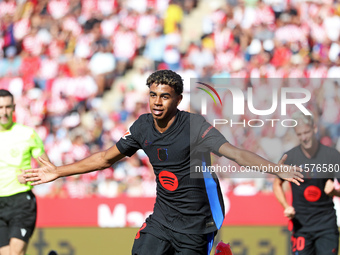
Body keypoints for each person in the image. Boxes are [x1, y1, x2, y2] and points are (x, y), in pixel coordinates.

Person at [24, 70, 303, 255]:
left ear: (178, 99)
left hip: (199, 222)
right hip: (162, 219)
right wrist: (58, 172)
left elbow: (235, 153)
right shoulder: (142, 127)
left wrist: (277, 168)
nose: (157, 102)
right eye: (153, 95)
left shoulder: (194, 126)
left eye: (165, 96)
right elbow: (104, 159)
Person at [273, 112, 340, 255]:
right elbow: (276, 184)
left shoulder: (332, 156)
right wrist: (286, 206)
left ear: (314, 129)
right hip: (301, 227)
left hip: (326, 226)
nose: (304, 137)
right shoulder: (290, 157)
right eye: (299, 134)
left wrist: (334, 192)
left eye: (306, 132)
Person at [0, 89, 50, 255]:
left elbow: (48, 168)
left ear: (14, 108)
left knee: (16, 252)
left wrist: (30, 175)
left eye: (7, 107)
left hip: (21, 200)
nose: (4, 112)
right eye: (0, 107)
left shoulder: (27, 134)